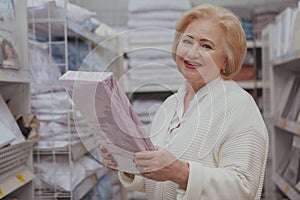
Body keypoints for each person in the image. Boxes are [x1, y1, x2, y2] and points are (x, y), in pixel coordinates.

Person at [100, 3, 269, 200]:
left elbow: (244, 188)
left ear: (226, 60)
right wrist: (126, 162)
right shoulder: (170, 105)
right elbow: (159, 181)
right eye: (187, 41)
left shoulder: (240, 107)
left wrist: (182, 173)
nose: (191, 53)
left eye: (206, 46)